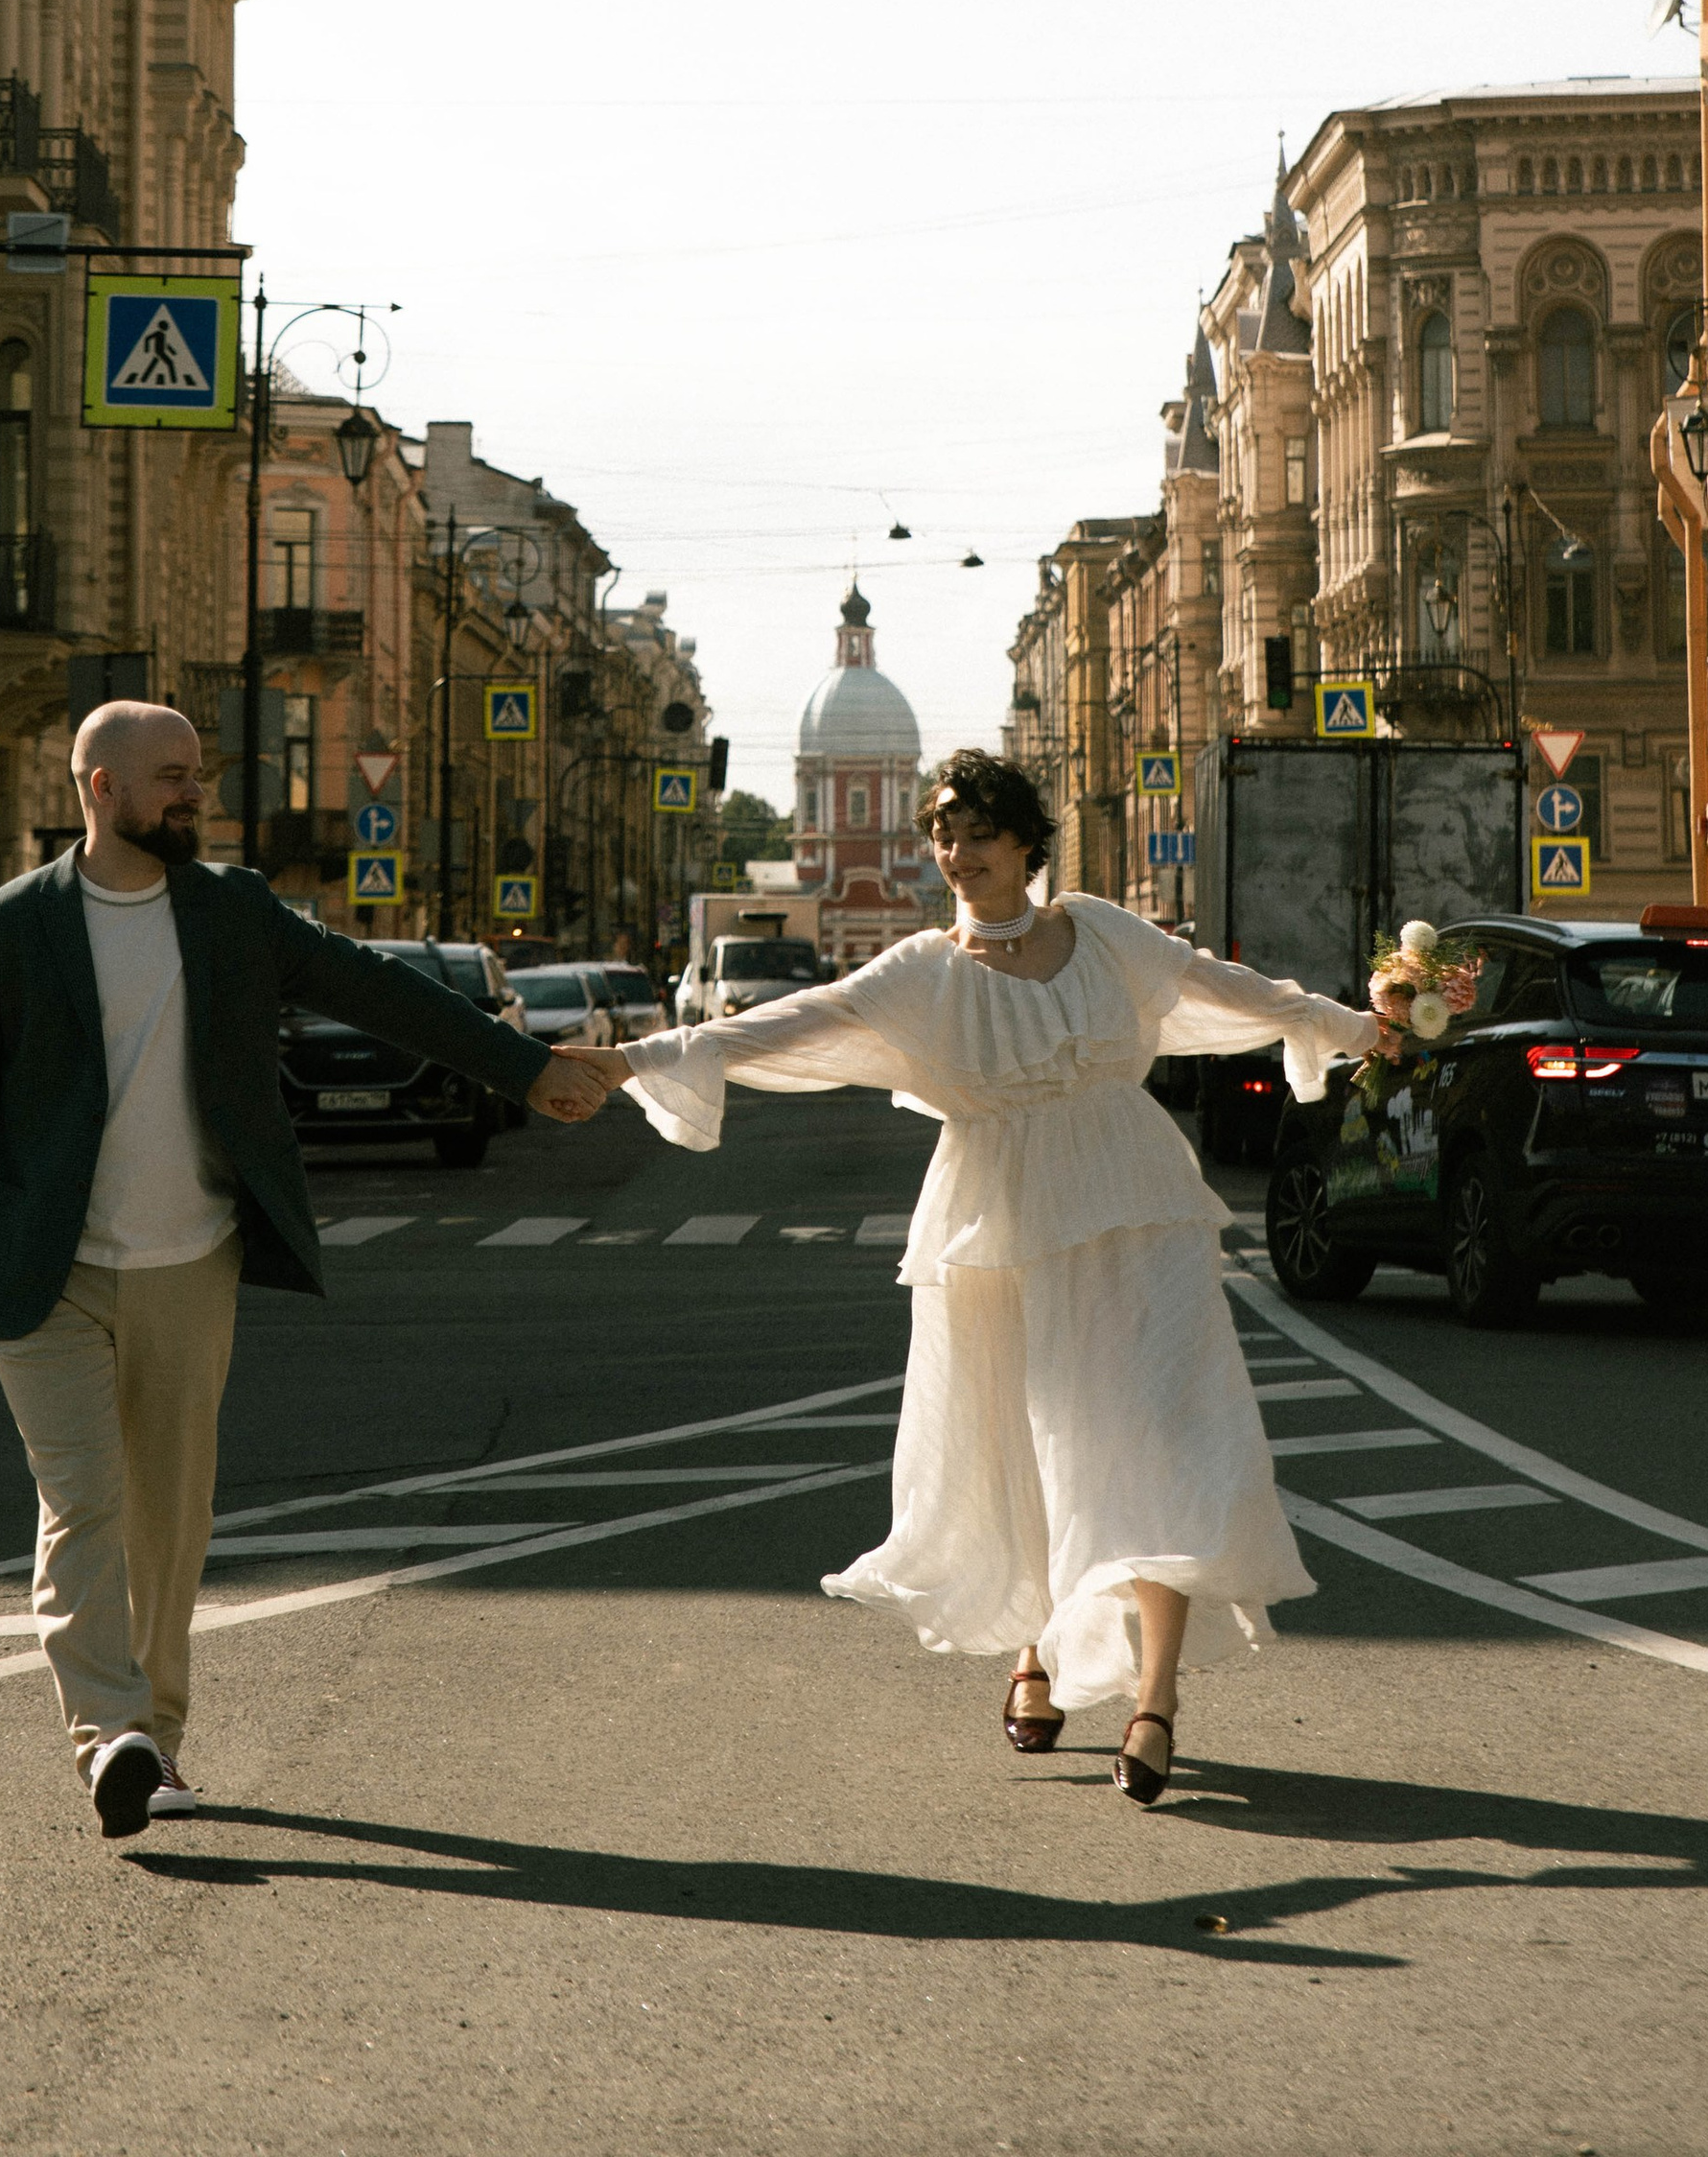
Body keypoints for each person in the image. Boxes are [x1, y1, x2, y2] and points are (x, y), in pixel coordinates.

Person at [580, 747, 1399, 1808]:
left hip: (1136, 1206)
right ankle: (1035, 1648)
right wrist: (641, 1056)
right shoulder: (919, 971)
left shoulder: (1102, 929)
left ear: (1024, 842)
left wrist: (1359, 1024)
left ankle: (1155, 1699)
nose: (954, 853)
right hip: (995, 1219)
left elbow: (1219, 986)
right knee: (1017, 1438)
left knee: (1163, 1434)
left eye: (975, 832)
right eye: (942, 834)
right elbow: (789, 1022)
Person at [0, 699, 610, 1840]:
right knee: (83, 1501)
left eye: (198, 773)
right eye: (172, 775)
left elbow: (375, 985)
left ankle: (156, 1734)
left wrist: (522, 1065)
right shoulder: (13, 924)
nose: (195, 791)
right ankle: (111, 1734)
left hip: (191, 1255)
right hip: (46, 1265)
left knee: (171, 1514)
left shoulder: (230, 908)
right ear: (100, 788)